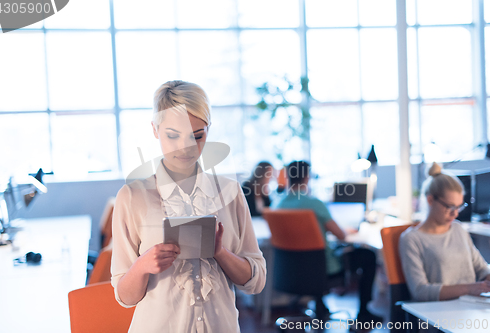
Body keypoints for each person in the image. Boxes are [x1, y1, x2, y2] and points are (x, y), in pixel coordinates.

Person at [111, 80, 266, 332]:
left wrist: (221, 253)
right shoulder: (131, 197)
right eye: (173, 136)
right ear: (155, 129)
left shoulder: (230, 191)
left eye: (198, 135)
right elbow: (125, 298)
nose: (187, 147)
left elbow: (255, 282)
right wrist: (143, 265)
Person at [275, 161, 382, 324]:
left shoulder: (278, 205)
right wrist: (347, 231)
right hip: (322, 269)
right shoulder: (314, 204)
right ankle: (364, 313)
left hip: (291, 272)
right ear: (306, 177)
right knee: (368, 256)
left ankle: (321, 305)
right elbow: (340, 235)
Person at [399, 162, 490, 302]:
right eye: (449, 207)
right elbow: (420, 291)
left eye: (459, 207)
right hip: (437, 312)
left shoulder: (458, 229)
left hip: (470, 306)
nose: (455, 214)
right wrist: (469, 288)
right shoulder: (411, 239)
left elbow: (481, 269)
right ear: (430, 200)